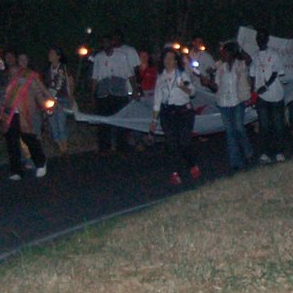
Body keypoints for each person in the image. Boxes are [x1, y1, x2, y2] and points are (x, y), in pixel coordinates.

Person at [0, 52, 51, 181]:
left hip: (25, 113)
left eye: (11, 57)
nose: (9, 59)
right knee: (12, 142)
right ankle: (16, 170)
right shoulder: (4, 77)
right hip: (9, 114)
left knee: (29, 139)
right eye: (7, 57)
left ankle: (41, 162)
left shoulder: (28, 76)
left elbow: (39, 92)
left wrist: (47, 104)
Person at [150, 47, 200, 184]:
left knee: (184, 142)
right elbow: (157, 99)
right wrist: (154, 120)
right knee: (171, 143)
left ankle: (192, 164)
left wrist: (182, 87)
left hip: (184, 112)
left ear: (176, 61)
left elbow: (192, 92)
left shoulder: (182, 75)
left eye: (171, 59)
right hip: (168, 112)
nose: (168, 61)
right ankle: (175, 172)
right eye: (166, 58)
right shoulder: (161, 77)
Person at [206, 40, 254, 171]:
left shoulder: (240, 64)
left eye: (226, 52)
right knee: (230, 133)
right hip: (223, 102)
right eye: (222, 53)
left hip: (238, 101)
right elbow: (216, 86)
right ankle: (235, 162)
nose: (223, 55)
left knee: (239, 128)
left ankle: (248, 152)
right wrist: (208, 80)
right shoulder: (220, 67)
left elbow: (249, 60)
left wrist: (238, 47)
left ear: (231, 53)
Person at [90, 31, 138, 153]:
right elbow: (95, 77)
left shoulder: (121, 56)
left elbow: (130, 74)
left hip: (119, 93)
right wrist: (93, 95)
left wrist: (135, 90)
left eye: (107, 42)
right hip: (103, 93)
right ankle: (104, 147)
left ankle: (121, 146)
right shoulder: (99, 58)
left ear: (112, 43)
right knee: (104, 121)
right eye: (103, 42)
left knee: (120, 120)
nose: (105, 44)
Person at [250, 28, 288, 163]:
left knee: (278, 124)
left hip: (276, 95)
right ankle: (265, 152)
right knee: (264, 125)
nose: (260, 40)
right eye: (258, 37)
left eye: (262, 37)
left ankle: (279, 151)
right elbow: (253, 75)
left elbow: (276, 72)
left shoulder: (274, 54)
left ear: (267, 39)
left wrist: (265, 86)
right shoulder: (254, 56)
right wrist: (253, 92)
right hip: (261, 97)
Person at [45, 48, 77, 154]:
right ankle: (61, 148)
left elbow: (71, 81)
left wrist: (71, 96)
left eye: (52, 53)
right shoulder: (47, 69)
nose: (50, 55)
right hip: (50, 100)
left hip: (62, 99)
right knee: (53, 124)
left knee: (61, 123)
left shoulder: (64, 68)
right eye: (49, 53)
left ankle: (65, 148)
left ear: (58, 56)